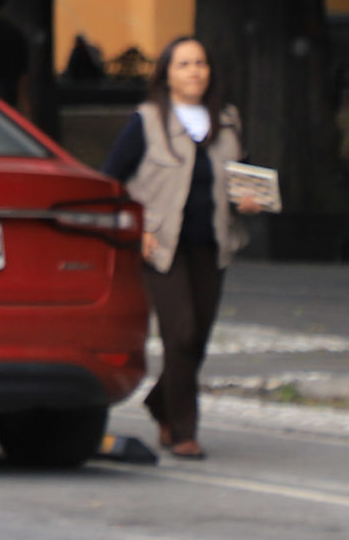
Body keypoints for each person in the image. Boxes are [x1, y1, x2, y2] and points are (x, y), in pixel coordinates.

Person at [100, 36, 261, 459]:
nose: (194, 71)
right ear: (167, 74)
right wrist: (140, 228)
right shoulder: (147, 121)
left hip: (212, 244)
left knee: (199, 339)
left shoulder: (227, 121)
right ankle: (183, 429)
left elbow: (239, 180)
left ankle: (160, 403)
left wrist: (247, 201)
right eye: (184, 64)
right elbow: (112, 180)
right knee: (181, 333)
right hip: (161, 246)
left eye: (200, 64)